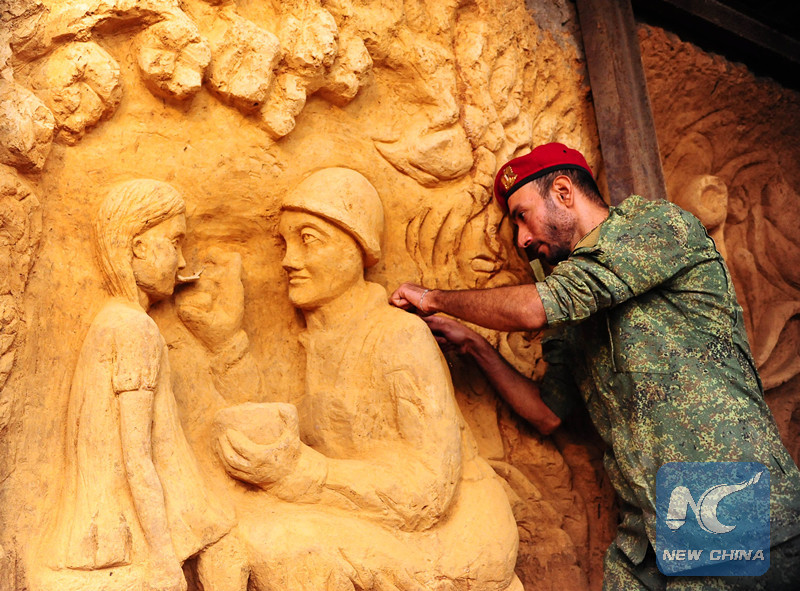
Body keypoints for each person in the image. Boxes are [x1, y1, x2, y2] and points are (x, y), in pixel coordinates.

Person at [389, 143, 800, 590]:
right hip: (647, 530)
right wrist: (474, 346)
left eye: (522, 216)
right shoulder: (571, 306)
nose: (522, 240)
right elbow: (548, 412)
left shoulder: (655, 227)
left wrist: (433, 298)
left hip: (724, 495)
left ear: (563, 191)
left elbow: (536, 308)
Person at [209, 167, 521, 591]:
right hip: (373, 516)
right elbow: (285, 424)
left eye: (308, 240)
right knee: (226, 533)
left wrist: (306, 474)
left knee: (281, 548)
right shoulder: (319, 341)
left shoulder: (399, 337)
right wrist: (225, 343)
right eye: (285, 243)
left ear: (356, 247)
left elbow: (429, 490)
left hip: (453, 535)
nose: (289, 260)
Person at [39, 179, 247, 591]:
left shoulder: (113, 320)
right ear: (137, 247)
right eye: (174, 243)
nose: (182, 261)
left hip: (115, 519)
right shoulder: (134, 329)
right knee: (229, 552)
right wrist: (164, 558)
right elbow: (137, 456)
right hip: (121, 528)